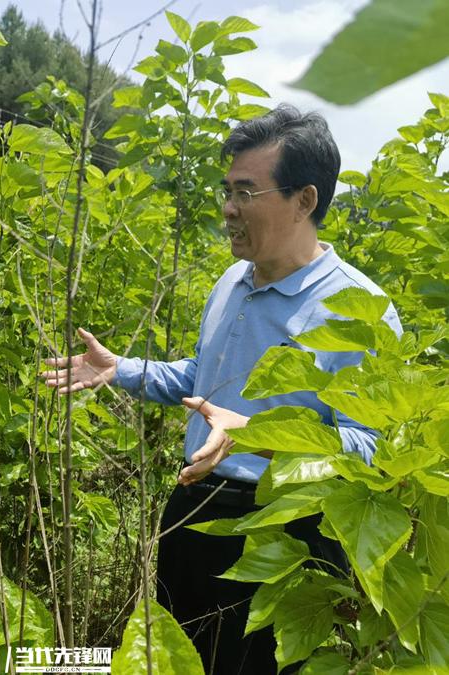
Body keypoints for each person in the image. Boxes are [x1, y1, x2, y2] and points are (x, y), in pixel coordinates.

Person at [41, 104, 402, 674]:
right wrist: (121, 369)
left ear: (304, 200)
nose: (229, 208)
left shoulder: (361, 311)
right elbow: (204, 381)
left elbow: (370, 449)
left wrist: (256, 437)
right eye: (227, 189)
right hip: (192, 513)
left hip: (285, 537)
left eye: (246, 192)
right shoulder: (232, 280)